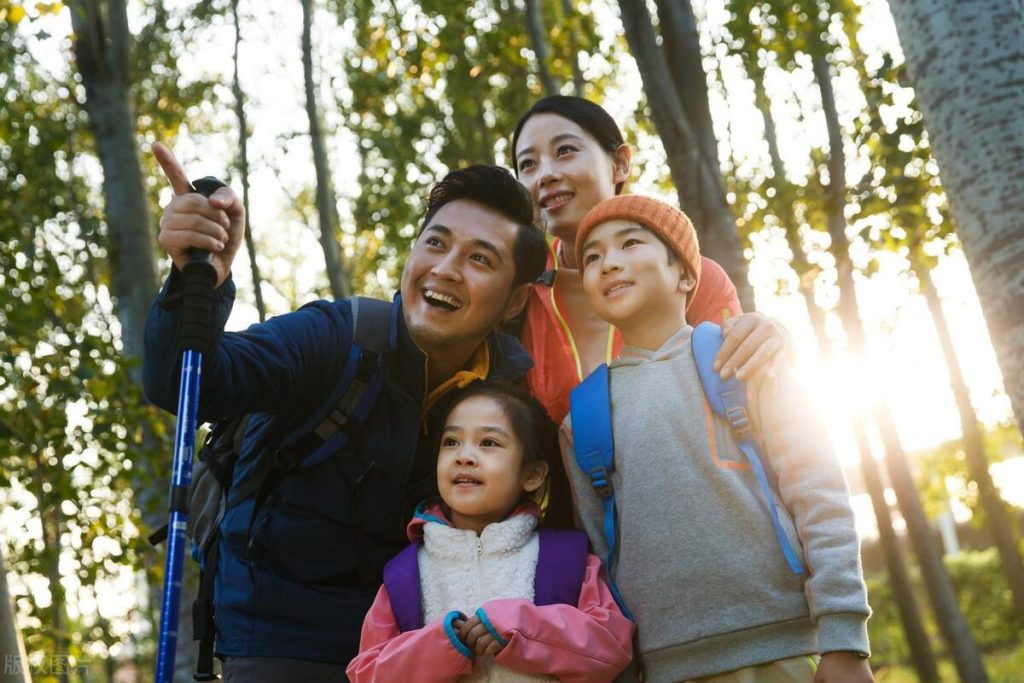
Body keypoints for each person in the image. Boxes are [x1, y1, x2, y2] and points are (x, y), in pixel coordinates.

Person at [143, 145, 551, 680]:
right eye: (436, 243)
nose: (446, 269)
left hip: (420, 650)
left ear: (515, 301)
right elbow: (183, 380)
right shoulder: (336, 338)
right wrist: (196, 286)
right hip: (282, 646)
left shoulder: (511, 393)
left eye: (480, 259)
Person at [562, 194, 873, 683]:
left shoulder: (744, 360)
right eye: (593, 257)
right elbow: (600, 560)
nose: (609, 263)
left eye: (629, 243)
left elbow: (820, 495)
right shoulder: (582, 416)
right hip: (664, 667)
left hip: (784, 649)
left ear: (685, 274)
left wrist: (844, 637)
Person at [511, 95, 788, 424]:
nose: (546, 175)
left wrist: (774, 339)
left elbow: (750, 401)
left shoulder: (690, 277)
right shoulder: (518, 296)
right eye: (528, 164)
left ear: (620, 164)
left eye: (565, 151)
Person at [348, 382, 634, 682]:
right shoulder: (403, 575)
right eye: (451, 441)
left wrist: (521, 629)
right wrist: (440, 645)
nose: (464, 456)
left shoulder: (569, 560)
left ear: (532, 475)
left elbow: (611, 647)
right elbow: (366, 673)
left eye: (488, 443)